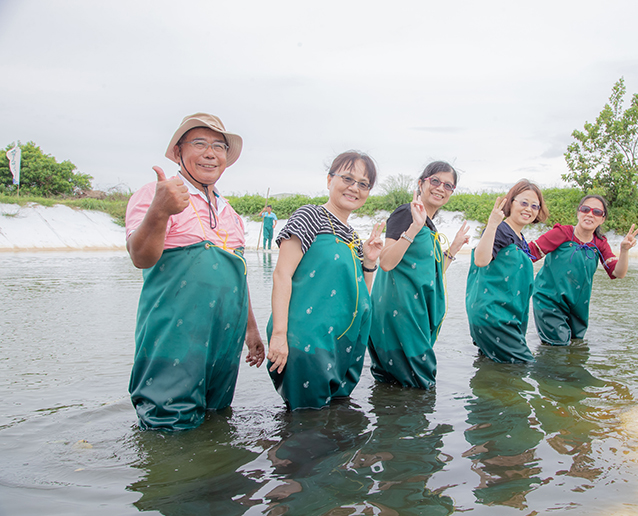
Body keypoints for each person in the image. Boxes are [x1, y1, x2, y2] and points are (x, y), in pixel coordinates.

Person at [125, 112, 265, 430]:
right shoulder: (154, 194)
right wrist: (160, 211)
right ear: (178, 151)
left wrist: (251, 331)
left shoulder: (230, 212)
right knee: (168, 425)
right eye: (199, 143)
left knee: (216, 420)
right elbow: (140, 256)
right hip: (174, 339)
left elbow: (237, 278)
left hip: (223, 345)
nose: (210, 153)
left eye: (219, 146)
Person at [266, 151, 384, 410]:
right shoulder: (310, 216)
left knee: (333, 422)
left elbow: (358, 296)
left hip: (341, 344)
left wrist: (370, 263)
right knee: (307, 426)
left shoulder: (352, 236)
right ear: (329, 179)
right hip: (307, 342)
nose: (355, 188)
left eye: (363, 184)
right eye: (348, 178)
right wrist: (278, 336)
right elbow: (281, 274)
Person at [368, 161, 470, 389]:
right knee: (418, 387)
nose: (440, 188)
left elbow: (432, 274)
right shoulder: (407, 213)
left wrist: (452, 249)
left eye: (448, 185)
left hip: (414, 314)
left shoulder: (428, 225)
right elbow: (385, 262)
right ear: (421, 184)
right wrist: (414, 227)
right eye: (435, 181)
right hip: (402, 314)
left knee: (398, 387)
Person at [530, 194, 638, 345]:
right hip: (549, 301)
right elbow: (530, 253)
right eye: (585, 209)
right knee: (558, 346)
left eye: (597, 212)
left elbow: (618, 273)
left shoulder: (600, 243)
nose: (590, 214)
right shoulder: (562, 233)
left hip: (578, 307)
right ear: (578, 213)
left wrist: (624, 250)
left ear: (602, 219)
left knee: (575, 345)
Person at [466, 179, 549, 363]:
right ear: (511, 202)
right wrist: (492, 224)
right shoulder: (501, 230)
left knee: (495, 368)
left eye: (535, 206)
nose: (529, 209)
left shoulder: (519, 237)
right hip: (494, 317)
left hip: (506, 317)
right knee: (524, 366)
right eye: (524, 203)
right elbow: (481, 260)